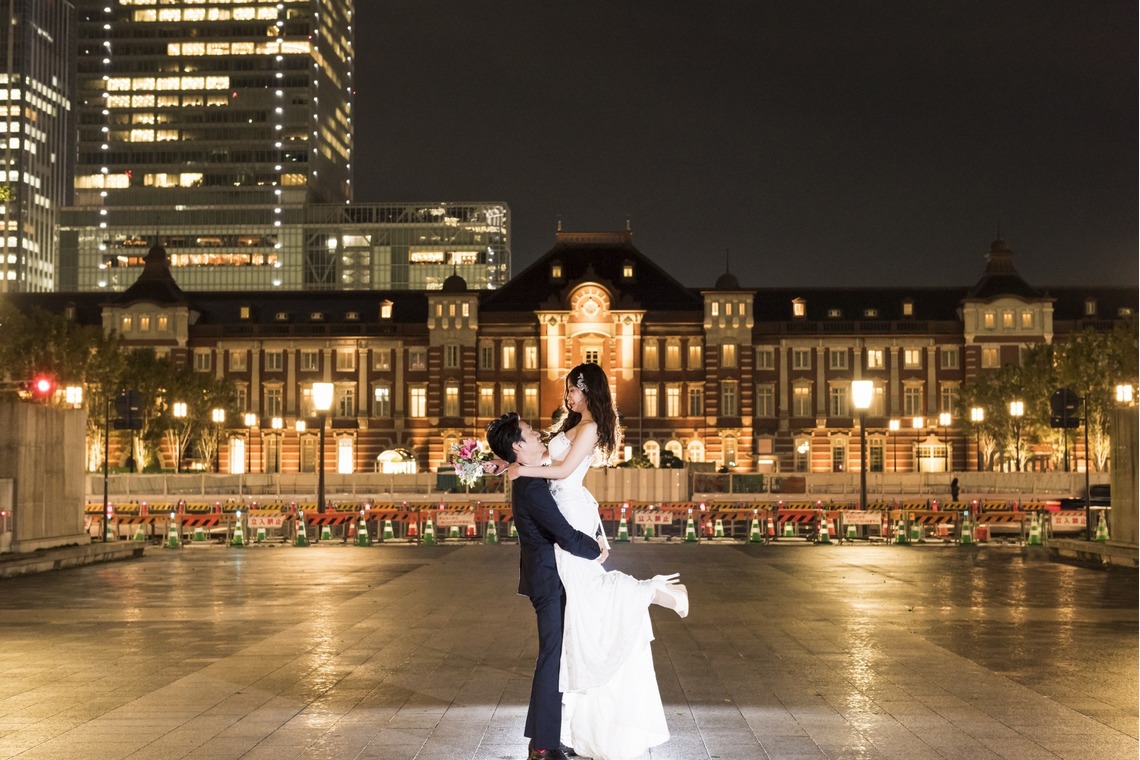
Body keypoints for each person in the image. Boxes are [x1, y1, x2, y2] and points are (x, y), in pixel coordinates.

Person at [495, 363, 687, 760]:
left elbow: (562, 469)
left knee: (590, 591)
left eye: (573, 391)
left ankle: (654, 591)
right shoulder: (571, 426)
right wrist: (505, 464)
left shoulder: (592, 426)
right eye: (567, 391)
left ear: (588, 390)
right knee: (585, 604)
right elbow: (546, 455)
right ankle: (652, 593)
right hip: (563, 510)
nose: (568, 397)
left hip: (569, 511)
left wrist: (518, 468)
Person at [486, 412, 608, 760]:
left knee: (553, 657)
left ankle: (543, 737)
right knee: (552, 658)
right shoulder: (531, 486)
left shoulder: (529, 478)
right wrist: (594, 549)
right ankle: (543, 745)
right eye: (529, 431)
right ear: (518, 446)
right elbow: (563, 533)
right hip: (547, 579)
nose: (537, 433)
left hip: (548, 576)